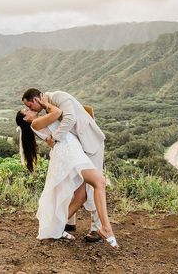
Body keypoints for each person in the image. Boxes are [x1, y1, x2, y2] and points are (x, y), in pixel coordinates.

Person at [15, 95, 118, 248]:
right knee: (99, 182)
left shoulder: (40, 121)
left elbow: (64, 121)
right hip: (70, 152)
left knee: (80, 196)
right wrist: (46, 103)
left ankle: (55, 228)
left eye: (29, 106)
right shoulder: (35, 123)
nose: (30, 109)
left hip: (71, 150)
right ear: (25, 119)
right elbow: (57, 112)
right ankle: (105, 228)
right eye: (27, 110)